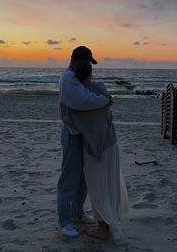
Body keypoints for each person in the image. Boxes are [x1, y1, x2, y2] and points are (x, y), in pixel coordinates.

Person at [71, 60, 129, 240]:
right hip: (111, 142)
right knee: (110, 184)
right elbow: (109, 117)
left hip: (94, 148)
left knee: (97, 188)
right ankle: (110, 223)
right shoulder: (101, 88)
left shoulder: (77, 99)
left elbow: (74, 126)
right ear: (91, 73)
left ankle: (103, 229)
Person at [57, 46, 110, 238]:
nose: (88, 66)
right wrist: (104, 100)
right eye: (87, 62)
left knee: (82, 179)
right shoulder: (68, 78)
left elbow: (85, 98)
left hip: (81, 135)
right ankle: (64, 222)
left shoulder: (73, 78)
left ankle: (77, 214)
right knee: (69, 180)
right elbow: (83, 100)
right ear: (78, 61)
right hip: (72, 135)